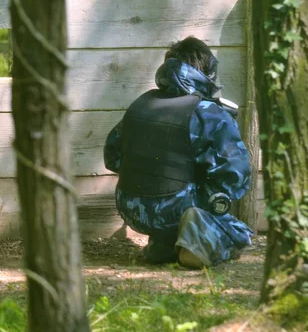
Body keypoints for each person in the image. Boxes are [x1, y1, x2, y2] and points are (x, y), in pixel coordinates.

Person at [103, 36, 253, 268]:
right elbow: (236, 174)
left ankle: (165, 244)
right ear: (208, 73)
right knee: (238, 232)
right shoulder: (209, 112)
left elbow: (112, 158)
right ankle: (197, 235)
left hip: (131, 210)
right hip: (177, 209)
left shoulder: (141, 103)